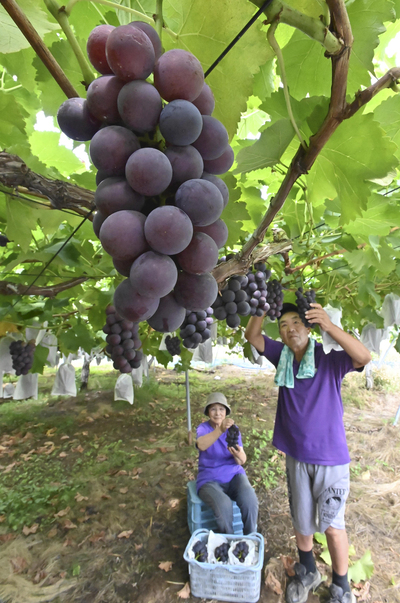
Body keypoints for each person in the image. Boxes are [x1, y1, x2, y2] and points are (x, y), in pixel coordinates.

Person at [245, 302, 371, 603]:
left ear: (309, 326)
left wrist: (330, 325)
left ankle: (340, 586)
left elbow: (364, 356)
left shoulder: (327, 359)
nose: (291, 329)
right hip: (296, 457)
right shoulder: (283, 357)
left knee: (332, 525)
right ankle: (308, 570)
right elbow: (253, 335)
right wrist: (263, 304)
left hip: (330, 459)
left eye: (296, 322)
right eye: (284, 325)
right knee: (301, 521)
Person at [196, 391, 258, 535]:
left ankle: (250, 538)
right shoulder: (203, 428)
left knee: (249, 499)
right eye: (213, 409)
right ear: (208, 412)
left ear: (226, 412)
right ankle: (227, 540)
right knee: (224, 505)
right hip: (209, 479)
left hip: (234, 475)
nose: (217, 413)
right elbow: (201, 445)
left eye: (221, 409)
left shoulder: (233, 431)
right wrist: (220, 430)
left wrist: (238, 455)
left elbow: (241, 460)